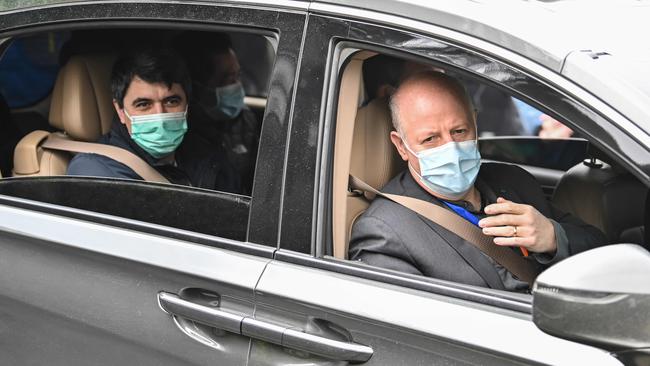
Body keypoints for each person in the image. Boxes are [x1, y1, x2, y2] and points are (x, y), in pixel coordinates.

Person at [348, 71, 606, 292]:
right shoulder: (384, 232)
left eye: (459, 131)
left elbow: (605, 252)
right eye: (430, 139)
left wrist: (552, 238)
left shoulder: (514, 181)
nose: (452, 148)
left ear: (475, 122)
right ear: (401, 146)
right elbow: (421, 337)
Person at [67, 47, 239, 192]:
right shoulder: (96, 172)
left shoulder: (207, 154)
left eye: (172, 101)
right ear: (120, 111)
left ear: (187, 104)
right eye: (143, 104)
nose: (160, 115)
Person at [176, 31, 260, 195]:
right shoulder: (178, 135)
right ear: (198, 87)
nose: (238, 86)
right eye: (228, 79)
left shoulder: (245, 120)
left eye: (238, 75)